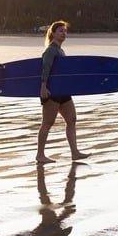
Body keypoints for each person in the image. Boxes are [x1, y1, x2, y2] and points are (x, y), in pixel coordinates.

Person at [36, 20, 90, 164]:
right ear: (53, 33)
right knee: (47, 123)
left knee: (71, 120)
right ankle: (40, 155)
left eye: (65, 31)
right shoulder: (51, 50)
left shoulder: (60, 50)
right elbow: (45, 68)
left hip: (63, 91)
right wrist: (43, 86)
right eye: (60, 31)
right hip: (52, 91)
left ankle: (75, 153)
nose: (64, 33)